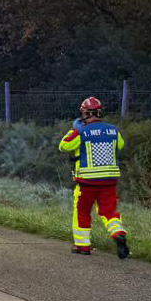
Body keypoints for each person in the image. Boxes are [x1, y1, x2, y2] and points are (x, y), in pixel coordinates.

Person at [59, 96, 129, 258]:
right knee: (109, 212)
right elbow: (121, 145)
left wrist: (74, 129)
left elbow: (63, 146)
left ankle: (83, 247)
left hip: (87, 183)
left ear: (84, 113)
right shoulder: (113, 130)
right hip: (109, 182)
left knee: (82, 212)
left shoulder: (81, 131)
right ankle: (118, 233)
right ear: (100, 112)